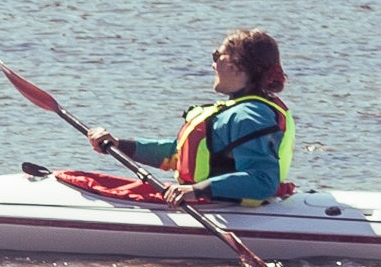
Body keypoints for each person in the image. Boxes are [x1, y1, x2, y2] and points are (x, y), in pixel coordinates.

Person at [74, 28, 297, 204]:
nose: (213, 63)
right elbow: (177, 155)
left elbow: (262, 181)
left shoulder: (249, 116)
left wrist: (194, 191)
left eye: (217, 55)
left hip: (226, 207)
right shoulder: (239, 109)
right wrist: (119, 145)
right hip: (211, 201)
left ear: (237, 66)